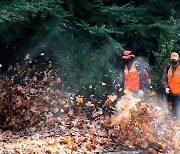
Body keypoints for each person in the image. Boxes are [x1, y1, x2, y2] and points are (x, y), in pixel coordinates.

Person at [162, 52, 180, 120]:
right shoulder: (168, 68)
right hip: (170, 93)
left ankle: (176, 126)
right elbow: (164, 79)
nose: (174, 62)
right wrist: (166, 87)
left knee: (176, 111)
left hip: (178, 95)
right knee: (166, 109)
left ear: (178, 60)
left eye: (175, 60)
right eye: (172, 60)